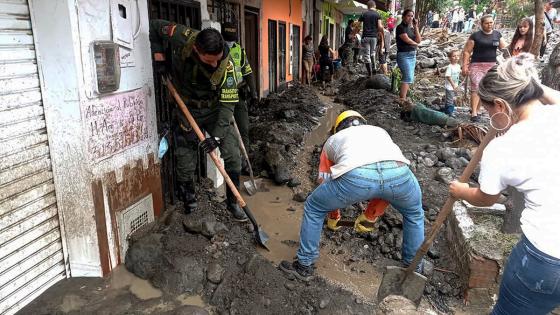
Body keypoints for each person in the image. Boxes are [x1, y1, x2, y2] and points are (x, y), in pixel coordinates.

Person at [449, 53, 560, 315]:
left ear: (500, 105)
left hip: (545, 259)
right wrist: (528, 84)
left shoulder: (503, 148)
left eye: (489, 111)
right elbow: (549, 96)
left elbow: (486, 198)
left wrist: (461, 191)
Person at [279, 110, 427, 281]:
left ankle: (304, 265)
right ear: (363, 123)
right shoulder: (379, 131)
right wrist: (370, 215)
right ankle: (414, 271)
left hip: (358, 176)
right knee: (414, 214)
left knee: (314, 206)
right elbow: (384, 179)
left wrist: (333, 215)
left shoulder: (333, 141)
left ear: (337, 129)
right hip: (400, 173)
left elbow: (325, 181)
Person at [149, 20, 247, 221]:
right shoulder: (183, 37)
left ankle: (233, 203)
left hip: (214, 110)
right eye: (209, 60)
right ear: (196, 49)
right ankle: (190, 202)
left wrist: (217, 137)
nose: (214, 64)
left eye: (217, 60)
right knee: (185, 158)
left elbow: (228, 104)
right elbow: (155, 26)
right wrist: (159, 57)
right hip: (187, 108)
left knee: (232, 155)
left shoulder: (227, 66)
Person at [461, 14, 507, 122]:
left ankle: (477, 109)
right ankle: (473, 113)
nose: (489, 25)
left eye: (491, 22)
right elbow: (467, 51)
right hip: (476, 65)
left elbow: (505, 49)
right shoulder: (475, 36)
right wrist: (465, 66)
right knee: (476, 87)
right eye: (487, 23)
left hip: (491, 65)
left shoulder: (497, 35)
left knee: (484, 88)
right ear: (481, 24)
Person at [221, 22, 258, 152]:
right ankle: (230, 161)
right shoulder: (216, 50)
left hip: (238, 95)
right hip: (222, 98)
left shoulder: (239, 51)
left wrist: (254, 94)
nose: (230, 43)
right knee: (225, 131)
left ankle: (245, 161)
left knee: (243, 129)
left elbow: (248, 72)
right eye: (227, 40)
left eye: (232, 40)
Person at [396, 9, 421, 102]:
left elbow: (418, 40)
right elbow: (406, 40)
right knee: (408, 77)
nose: (410, 18)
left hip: (412, 55)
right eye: (408, 16)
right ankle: (402, 100)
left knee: (409, 77)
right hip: (403, 55)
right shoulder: (400, 27)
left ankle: (404, 97)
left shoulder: (411, 29)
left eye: (412, 16)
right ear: (403, 17)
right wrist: (416, 45)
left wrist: (416, 26)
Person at [359, 0, 384, 76]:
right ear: (375, 6)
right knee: (372, 53)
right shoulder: (377, 14)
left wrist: (354, 33)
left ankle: (370, 74)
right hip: (374, 37)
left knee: (366, 55)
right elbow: (380, 27)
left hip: (366, 36)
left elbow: (358, 25)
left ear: (368, 6)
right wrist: (382, 32)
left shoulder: (364, 14)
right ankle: (374, 69)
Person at [444, 50, 461, 116]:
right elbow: (448, 76)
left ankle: (448, 110)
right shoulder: (450, 67)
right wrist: (453, 85)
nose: (456, 57)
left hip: (455, 86)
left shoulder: (458, 66)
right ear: (450, 58)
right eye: (454, 56)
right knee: (449, 99)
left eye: (457, 56)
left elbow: (460, 73)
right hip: (450, 86)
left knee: (452, 98)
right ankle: (449, 113)